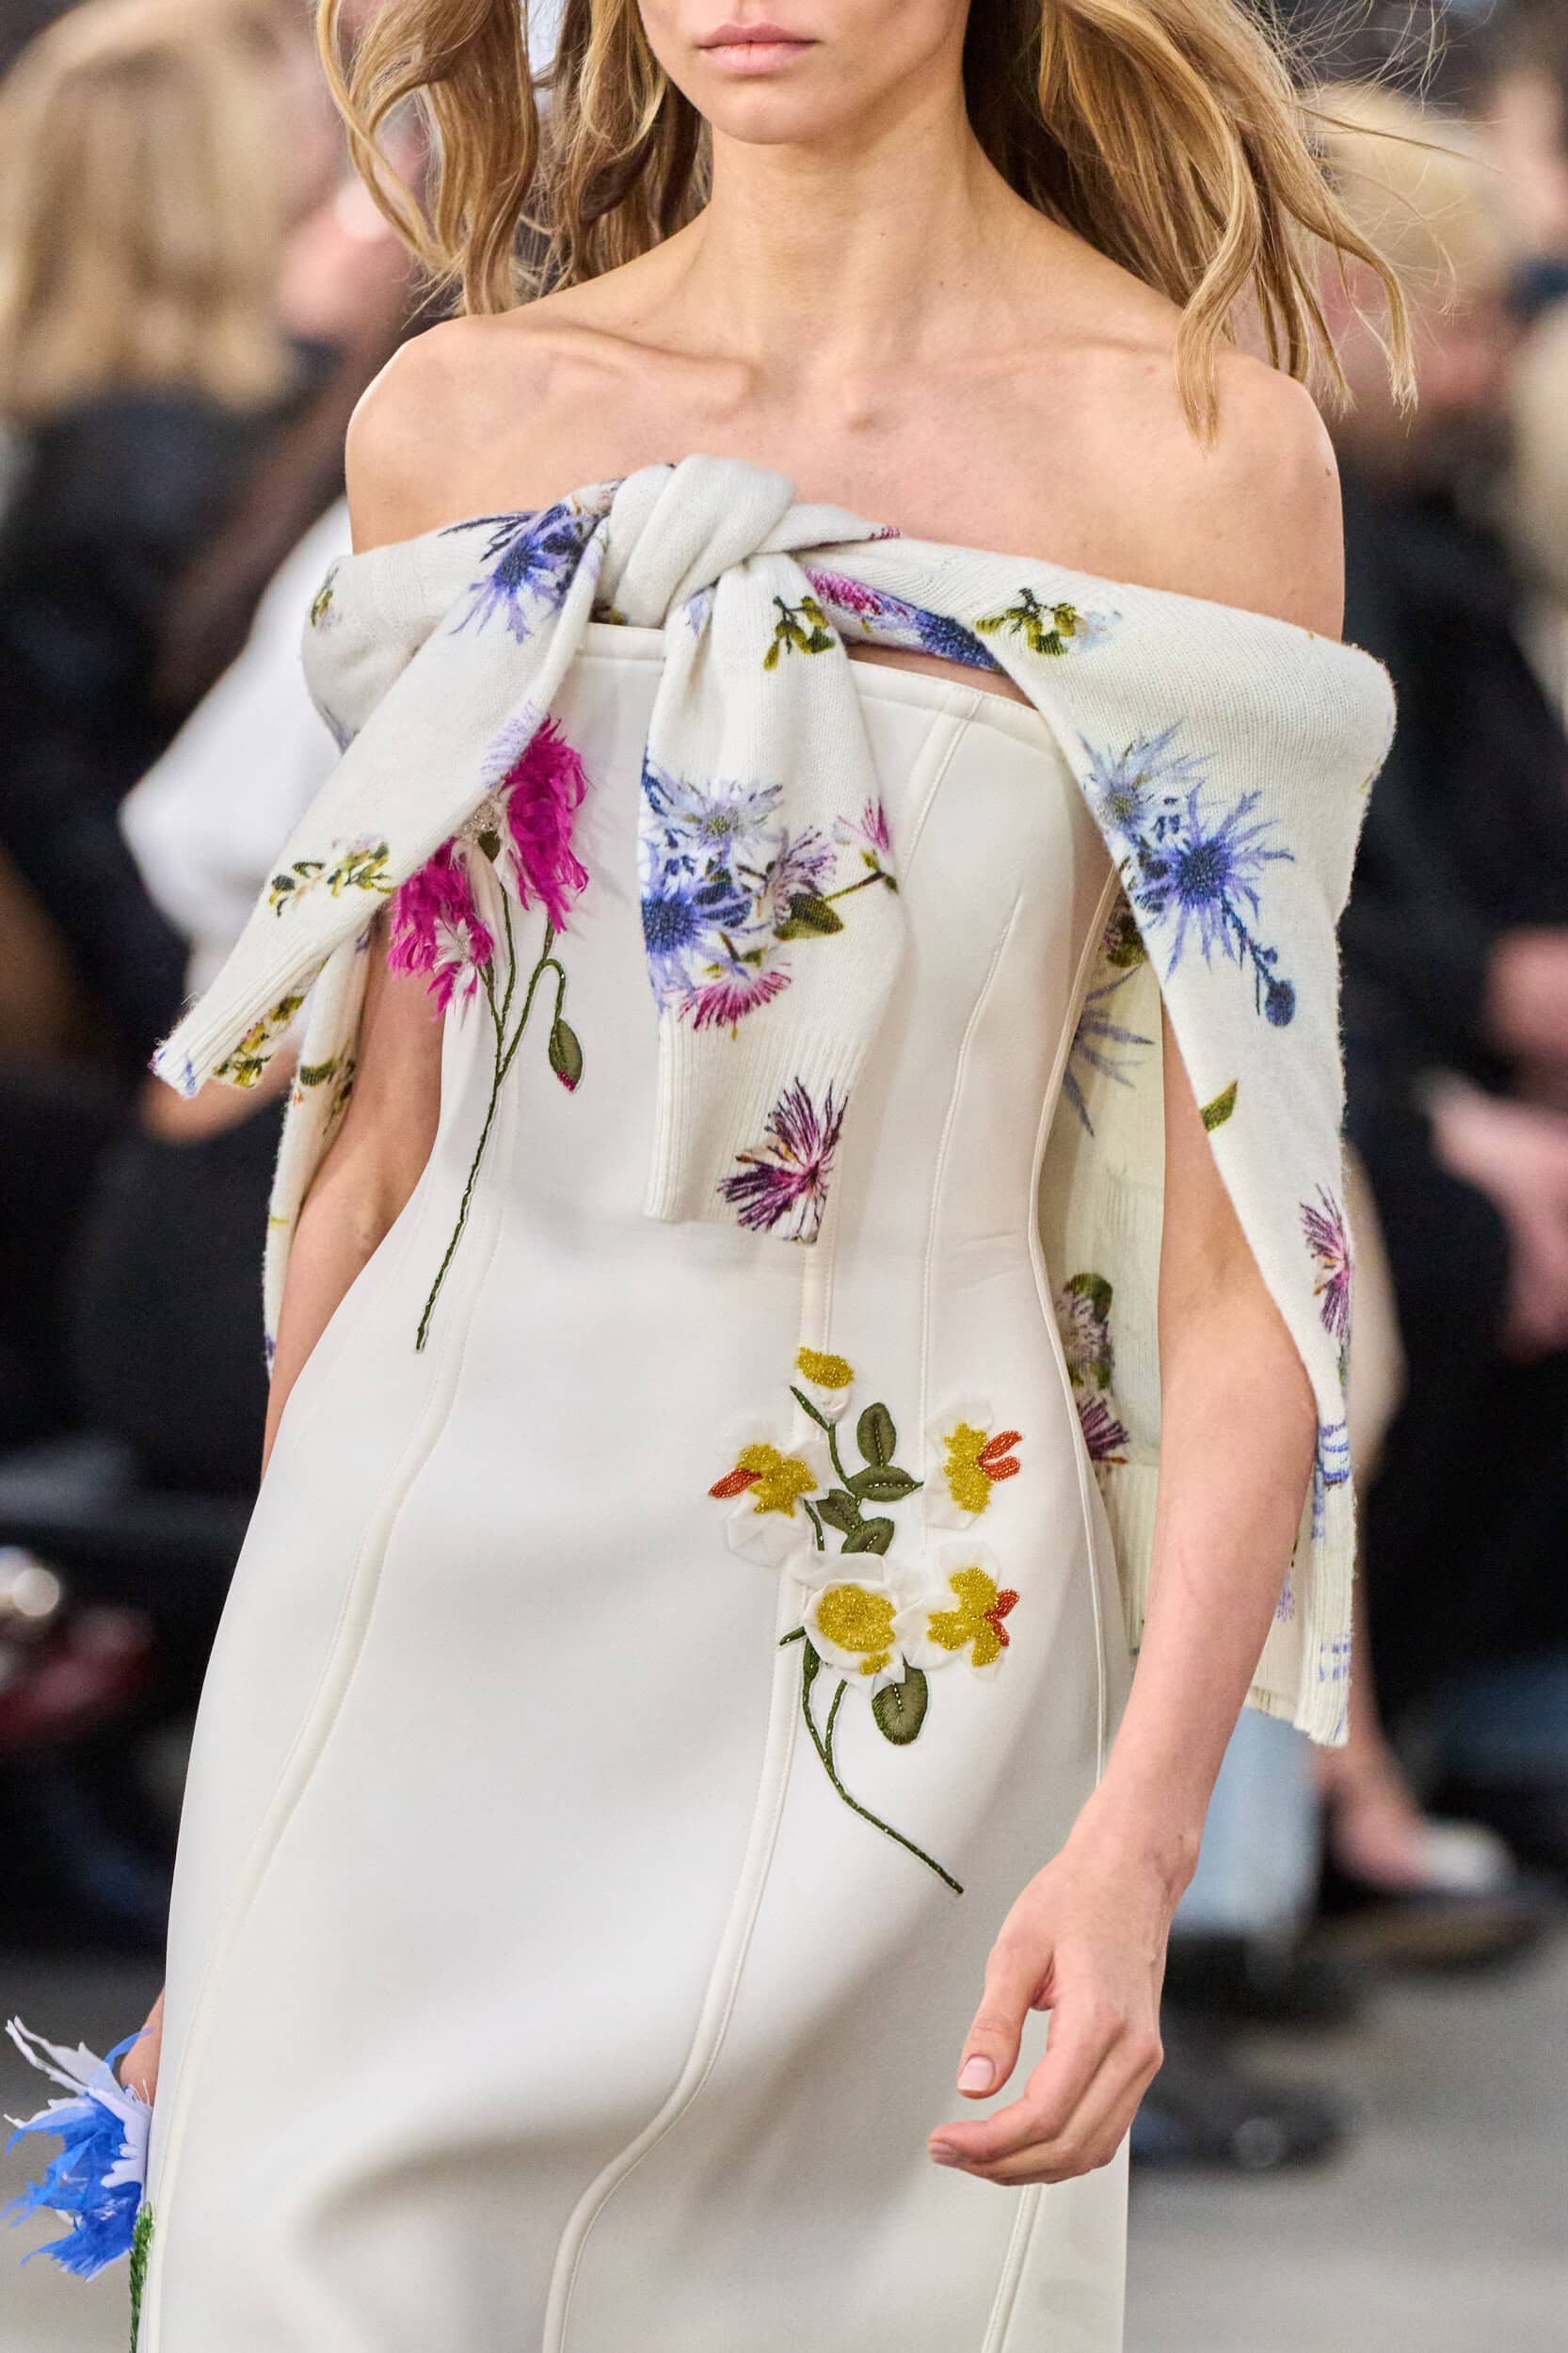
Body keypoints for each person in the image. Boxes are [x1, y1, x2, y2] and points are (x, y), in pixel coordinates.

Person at [61, 5, 1402, 2345]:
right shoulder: (460, 417)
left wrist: (1144, 1829)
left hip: (903, 1598)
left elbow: (1243, 1249)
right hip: (425, 1558)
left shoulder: (1190, 450)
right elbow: (376, 1144)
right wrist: (263, 1754)